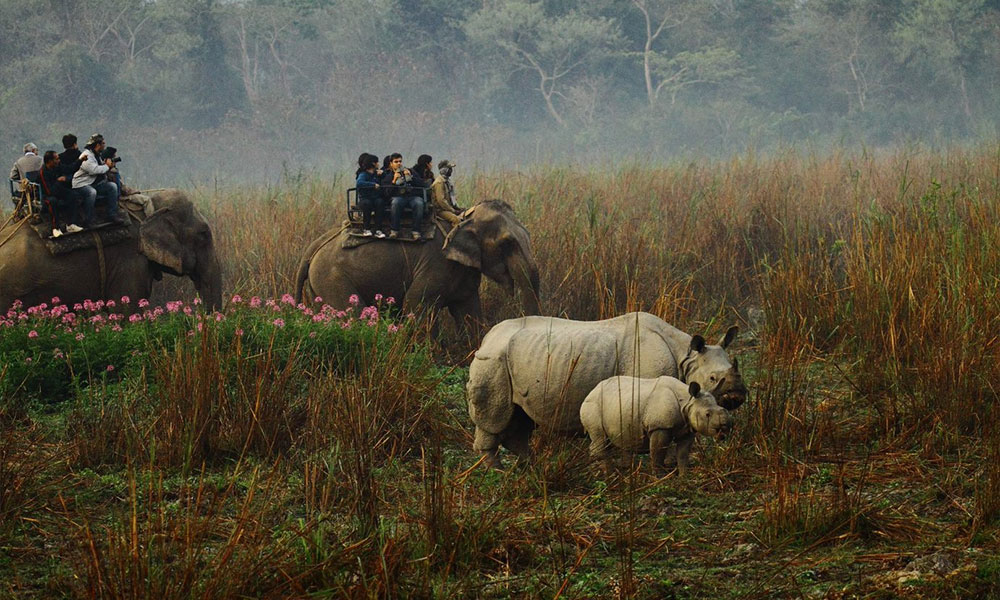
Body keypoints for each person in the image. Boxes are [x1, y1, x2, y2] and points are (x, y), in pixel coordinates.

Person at [72, 134, 126, 227]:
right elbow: (94, 170)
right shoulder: (86, 156)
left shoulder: (97, 155)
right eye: (103, 143)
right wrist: (107, 166)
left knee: (112, 186)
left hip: (93, 183)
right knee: (92, 192)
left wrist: (109, 165)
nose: (104, 145)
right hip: (81, 184)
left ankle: (111, 214)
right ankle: (88, 219)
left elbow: (101, 167)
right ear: (98, 145)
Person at [379, 153, 425, 240]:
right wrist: (394, 181)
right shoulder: (388, 176)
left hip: (412, 196)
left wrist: (411, 177)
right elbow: (386, 193)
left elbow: (422, 184)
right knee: (396, 203)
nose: (399, 163)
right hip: (398, 197)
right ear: (391, 163)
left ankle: (416, 231)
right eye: (396, 162)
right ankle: (394, 230)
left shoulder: (410, 171)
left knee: (419, 203)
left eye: (400, 161)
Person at [38, 151, 83, 236]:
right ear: (50, 161)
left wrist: (80, 161)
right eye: (57, 159)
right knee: (52, 201)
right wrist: (58, 181)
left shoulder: (57, 166)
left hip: (57, 190)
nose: (59, 160)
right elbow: (48, 191)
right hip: (47, 195)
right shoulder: (43, 173)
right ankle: (55, 228)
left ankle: (71, 224)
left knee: (73, 195)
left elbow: (69, 168)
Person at [355, 153, 386, 238]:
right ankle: (366, 228)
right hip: (365, 198)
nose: (378, 164)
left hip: (375, 198)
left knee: (380, 202)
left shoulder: (377, 174)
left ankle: (378, 229)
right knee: (367, 204)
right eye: (377, 162)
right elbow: (359, 183)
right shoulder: (363, 174)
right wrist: (373, 185)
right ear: (373, 164)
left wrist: (383, 175)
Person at [429, 159, 463, 225]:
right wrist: (453, 211)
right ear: (444, 170)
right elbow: (441, 200)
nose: (451, 171)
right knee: (456, 220)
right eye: (449, 168)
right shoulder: (439, 183)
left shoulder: (447, 182)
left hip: (448, 209)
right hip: (440, 211)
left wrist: (457, 208)